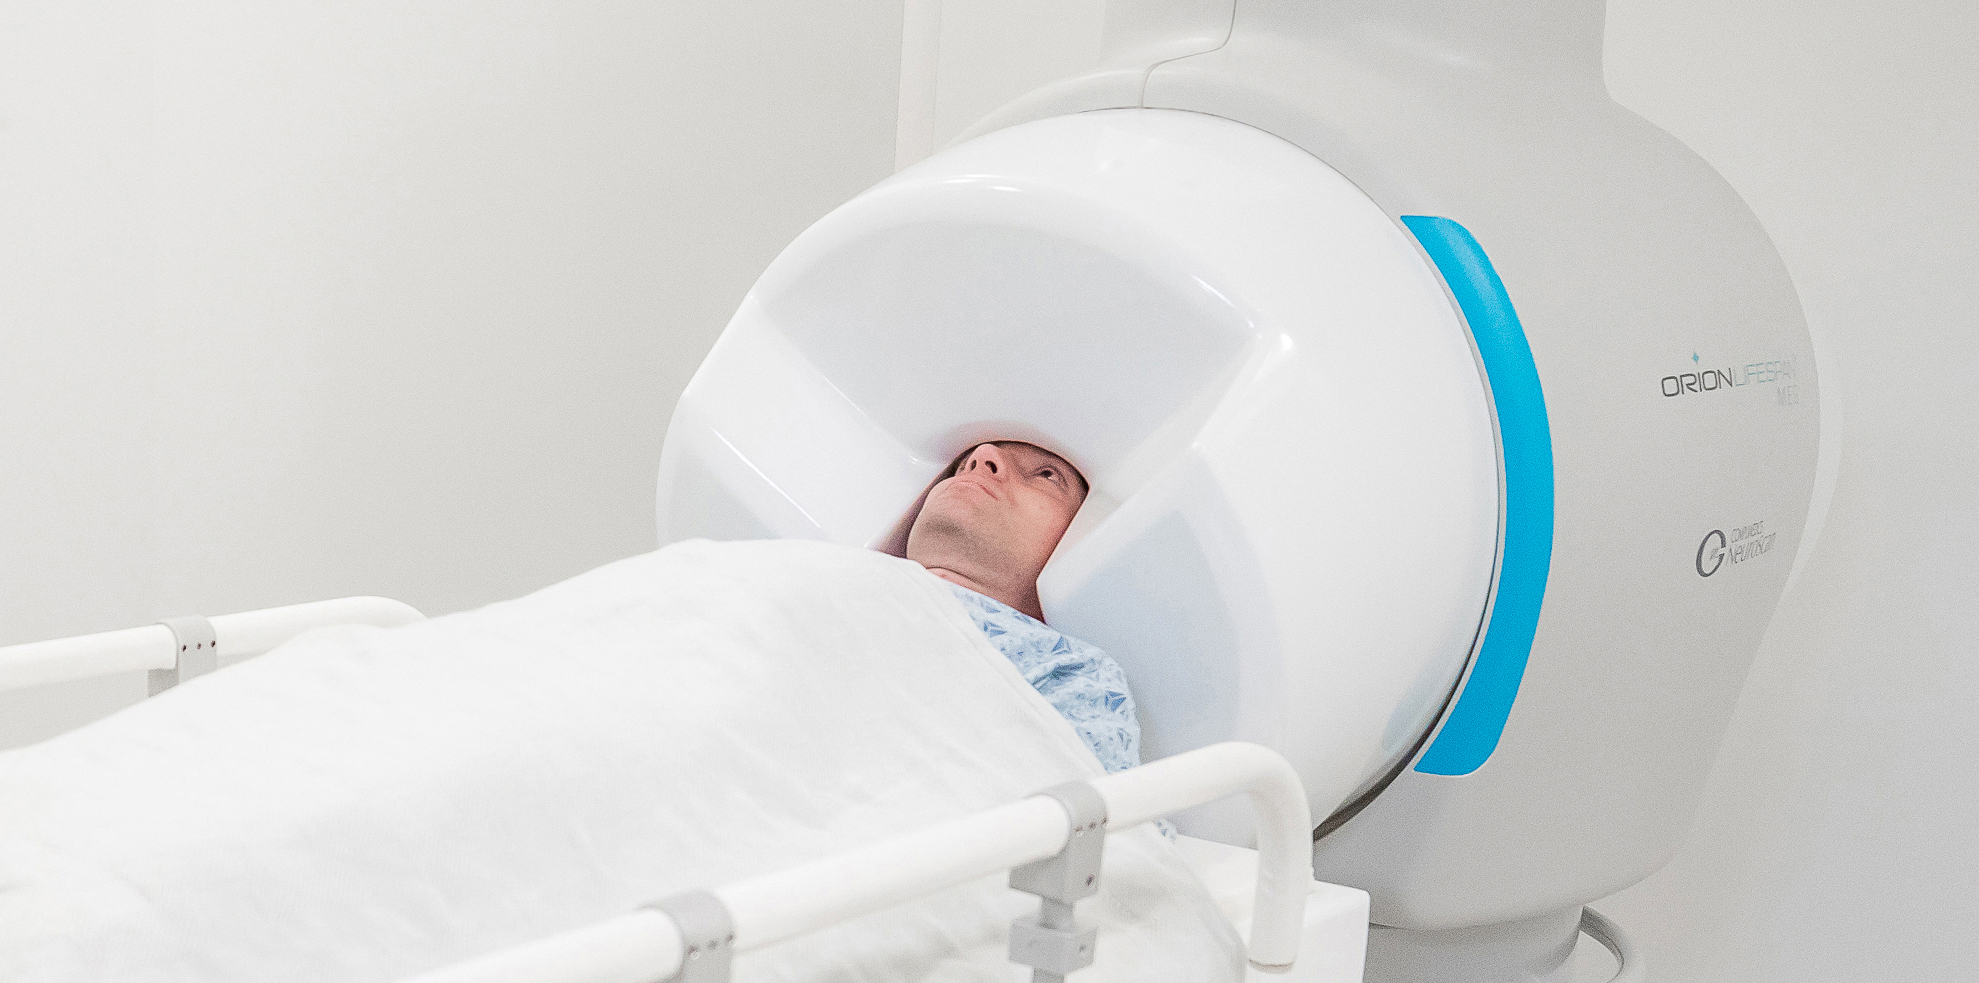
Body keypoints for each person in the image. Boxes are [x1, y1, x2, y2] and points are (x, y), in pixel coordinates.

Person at [903, 441, 1141, 773]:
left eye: (1046, 475)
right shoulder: (842, 568)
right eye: (961, 466)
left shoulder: (1075, 674)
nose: (981, 456)